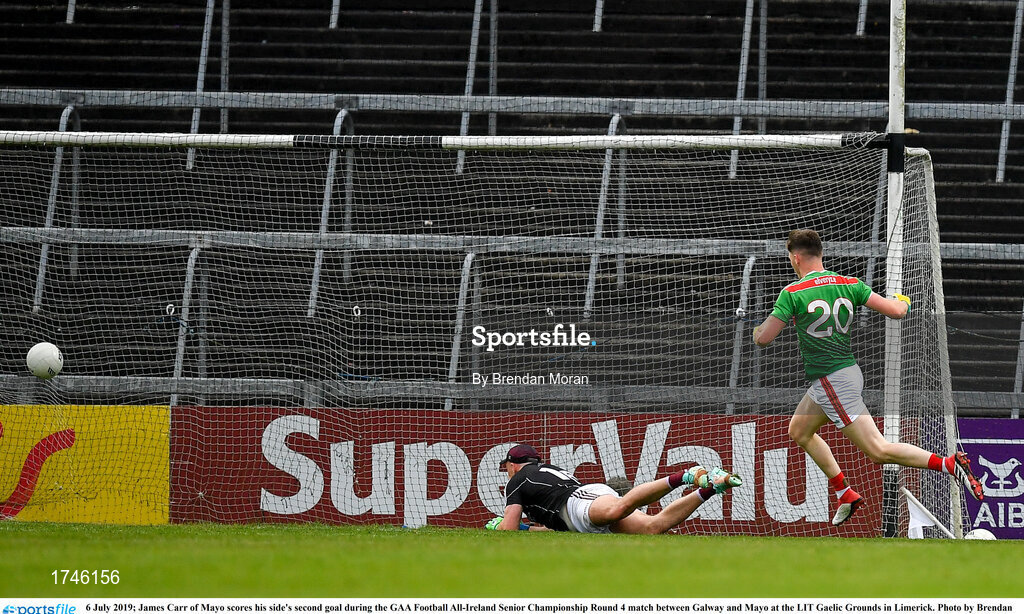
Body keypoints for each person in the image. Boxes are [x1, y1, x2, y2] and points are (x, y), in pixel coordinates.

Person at [752, 229, 984, 526]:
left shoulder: (793, 292)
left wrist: (757, 330)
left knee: (878, 450)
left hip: (831, 381)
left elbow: (765, 339)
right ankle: (845, 494)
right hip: (845, 373)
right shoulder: (850, 283)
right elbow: (897, 311)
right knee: (798, 430)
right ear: (820, 254)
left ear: (795, 258)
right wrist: (904, 300)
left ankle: (949, 464)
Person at [484, 444, 741, 534]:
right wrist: (527, 528)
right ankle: (711, 488)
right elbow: (555, 526)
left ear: (513, 464)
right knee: (653, 527)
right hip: (582, 506)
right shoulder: (543, 471)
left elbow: (509, 529)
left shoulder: (516, 480)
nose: (505, 470)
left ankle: (687, 475)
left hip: (580, 503)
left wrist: (503, 527)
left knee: (617, 509)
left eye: (505, 465)